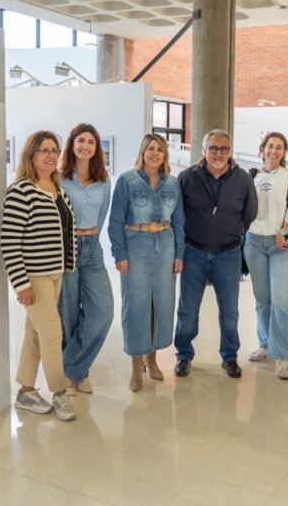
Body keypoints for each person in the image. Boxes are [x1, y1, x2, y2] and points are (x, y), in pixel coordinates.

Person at [1, 131, 77, 421]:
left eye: (54, 150)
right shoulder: (21, 190)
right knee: (52, 332)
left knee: (34, 334)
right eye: (43, 150)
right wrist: (20, 284)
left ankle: (26, 392)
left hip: (55, 272)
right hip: (34, 274)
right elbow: (9, 240)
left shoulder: (56, 188)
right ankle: (60, 394)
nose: (50, 155)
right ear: (30, 154)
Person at [173, 130, 258, 379]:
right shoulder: (187, 177)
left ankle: (230, 356)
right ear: (203, 150)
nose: (218, 153)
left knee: (229, 310)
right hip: (193, 252)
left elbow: (249, 213)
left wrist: (230, 231)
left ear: (230, 150)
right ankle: (184, 355)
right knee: (188, 309)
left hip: (228, 254)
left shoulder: (242, 178)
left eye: (224, 148)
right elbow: (179, 215)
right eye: (213, 148)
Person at [108, 134, 185, 392]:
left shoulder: (173, 184)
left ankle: (153, 361)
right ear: (142, 152)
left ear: (165, 155)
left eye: (160, 150)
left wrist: (179, 254)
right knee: (136, 305)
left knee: (160, 305)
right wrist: (120, 254)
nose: (155, 153)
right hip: (136, 244)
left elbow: (180, 222)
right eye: (150, 148)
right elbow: (116, 220)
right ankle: (135, 365)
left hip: (165, 244)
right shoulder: (127, 180)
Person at [243, 132, 288, 380]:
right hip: (253, 243)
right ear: (262, 148)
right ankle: (264, 343)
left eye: (279, 147)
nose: (274, 150)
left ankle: (283, 354)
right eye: (270, 146)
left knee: (281, 301)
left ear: (284, 152)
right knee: (263, 299)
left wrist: (284, 230)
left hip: (281, 244)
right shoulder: (250, 177)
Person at [57, 123, 114, 395]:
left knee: (103, 312)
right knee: (67, 313)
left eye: (91, 142)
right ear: (72, 144)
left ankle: (70, 367)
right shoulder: (59, 178)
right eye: (81, 140)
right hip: (65, 247)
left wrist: (89, 238)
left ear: (97, 148)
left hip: (92, 247)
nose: (86, 146)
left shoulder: (104, 181)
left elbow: (102, 217)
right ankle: (77, 375)